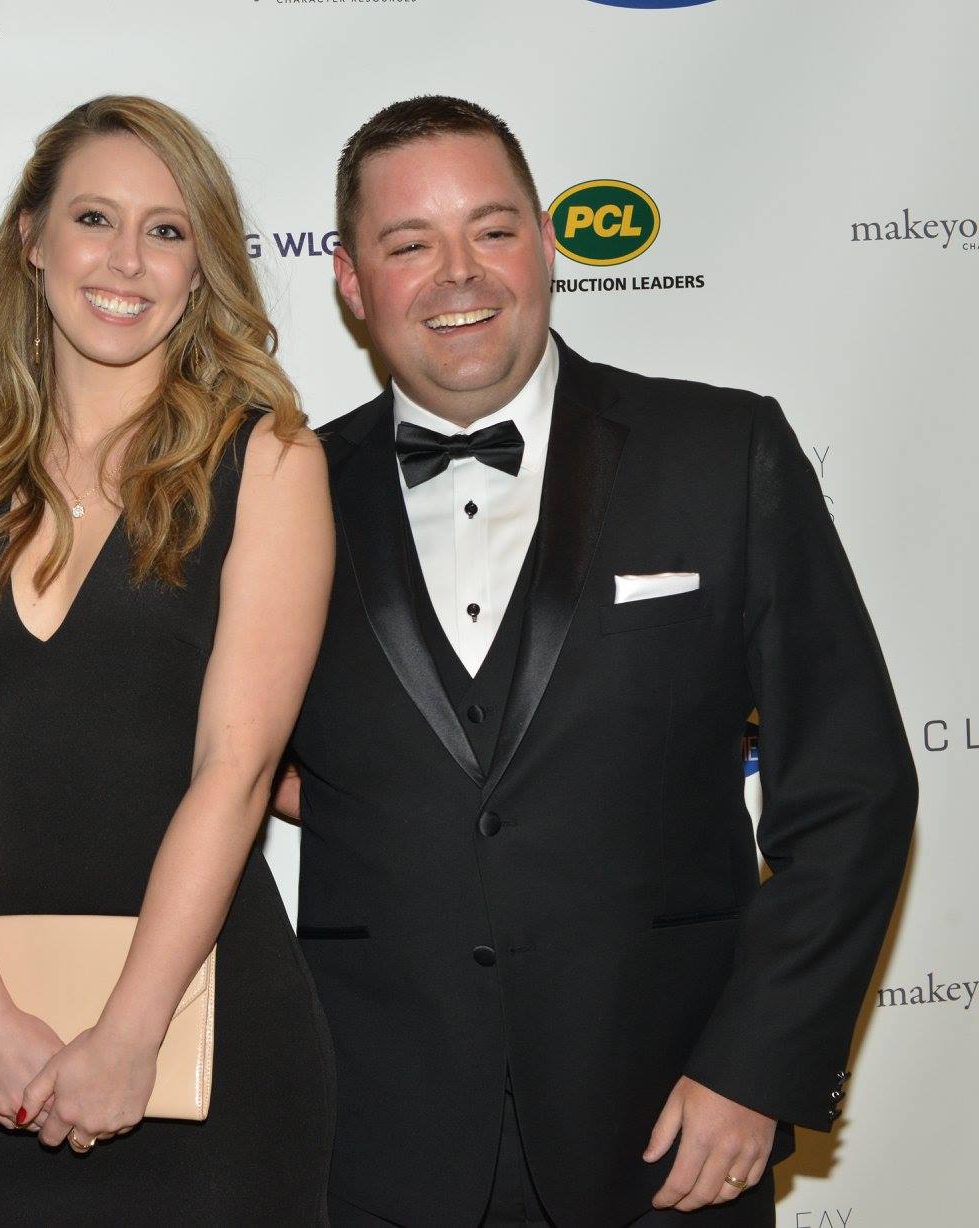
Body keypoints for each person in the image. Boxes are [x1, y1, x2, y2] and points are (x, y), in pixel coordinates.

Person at [280, 96, 917, 1227]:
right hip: (371, 1142)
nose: (458, 273)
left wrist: (755, 1070)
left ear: (545, 241)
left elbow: (851, 788)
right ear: (350, 280)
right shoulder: (276, 497)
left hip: (672, 1133)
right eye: (408, 243)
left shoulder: (722, 453)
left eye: (491, 229)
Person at [0, 95, 337, 1224]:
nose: (127, 259)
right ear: (31, 240)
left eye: (167, 230)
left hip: (203, 1033)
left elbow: (235, 770)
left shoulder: (267, 463)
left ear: (200, 270)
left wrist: (133, 1032)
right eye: (94, 217)